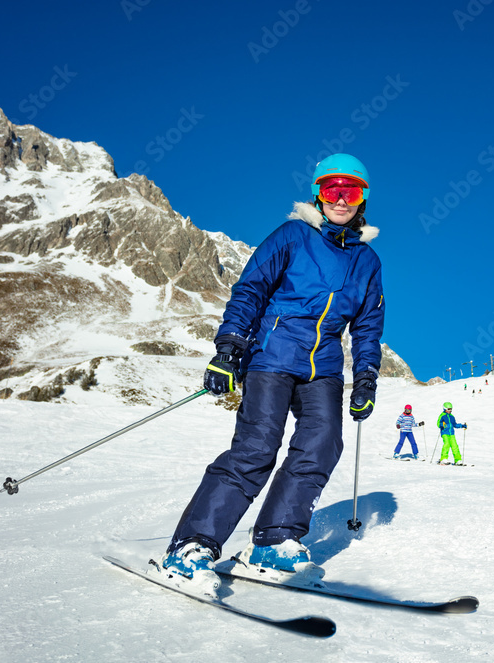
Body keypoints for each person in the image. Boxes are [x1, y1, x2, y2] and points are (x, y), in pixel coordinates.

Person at [154, 153, 384, 596]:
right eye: (332, 189)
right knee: (256, 448)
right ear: (318, 193)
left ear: (363, 200)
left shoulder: (367, 261)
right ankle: (191, 546)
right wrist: (230, 347)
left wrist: (368, 377)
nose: (340, 199)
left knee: (321, 445)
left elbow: (369, 326)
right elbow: (251, 288)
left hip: (325, 368)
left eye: (350, 191)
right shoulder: (293, 235)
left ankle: (274, 540)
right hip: (273, 355)